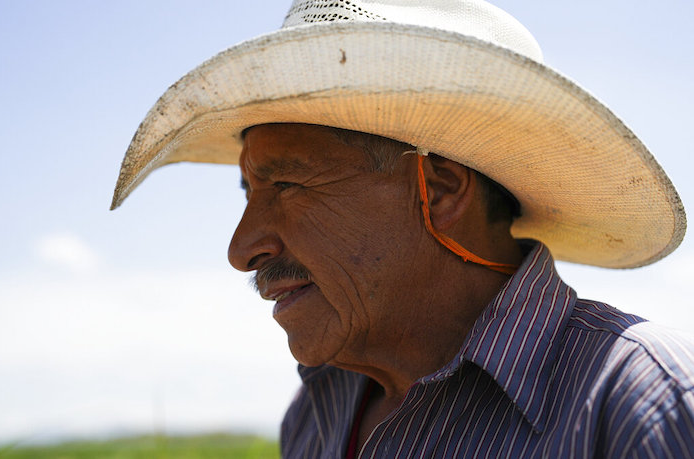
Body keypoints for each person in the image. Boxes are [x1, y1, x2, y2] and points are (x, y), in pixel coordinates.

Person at [112, 1, 692, 457]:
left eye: (288, 185)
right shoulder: (318, 411)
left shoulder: (644, 406)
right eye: (249, 192)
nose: (243, 250)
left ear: (439, 186)